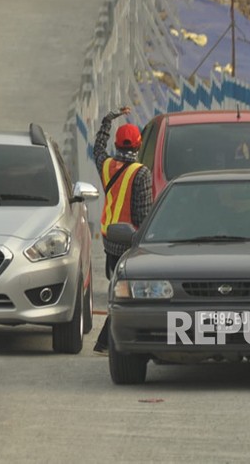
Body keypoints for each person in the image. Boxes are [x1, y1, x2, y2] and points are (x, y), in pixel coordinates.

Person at [92, 106, 153, 355]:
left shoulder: (106, 167)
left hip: (109, 241)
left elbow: (97, 149)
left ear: (117, 145)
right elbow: (144, 213)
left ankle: (105, 343)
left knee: (117, 288)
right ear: (138, 146)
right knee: (126, 294)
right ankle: (106, 342)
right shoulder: (141, 173)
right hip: (130, 242)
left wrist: (108, 119)